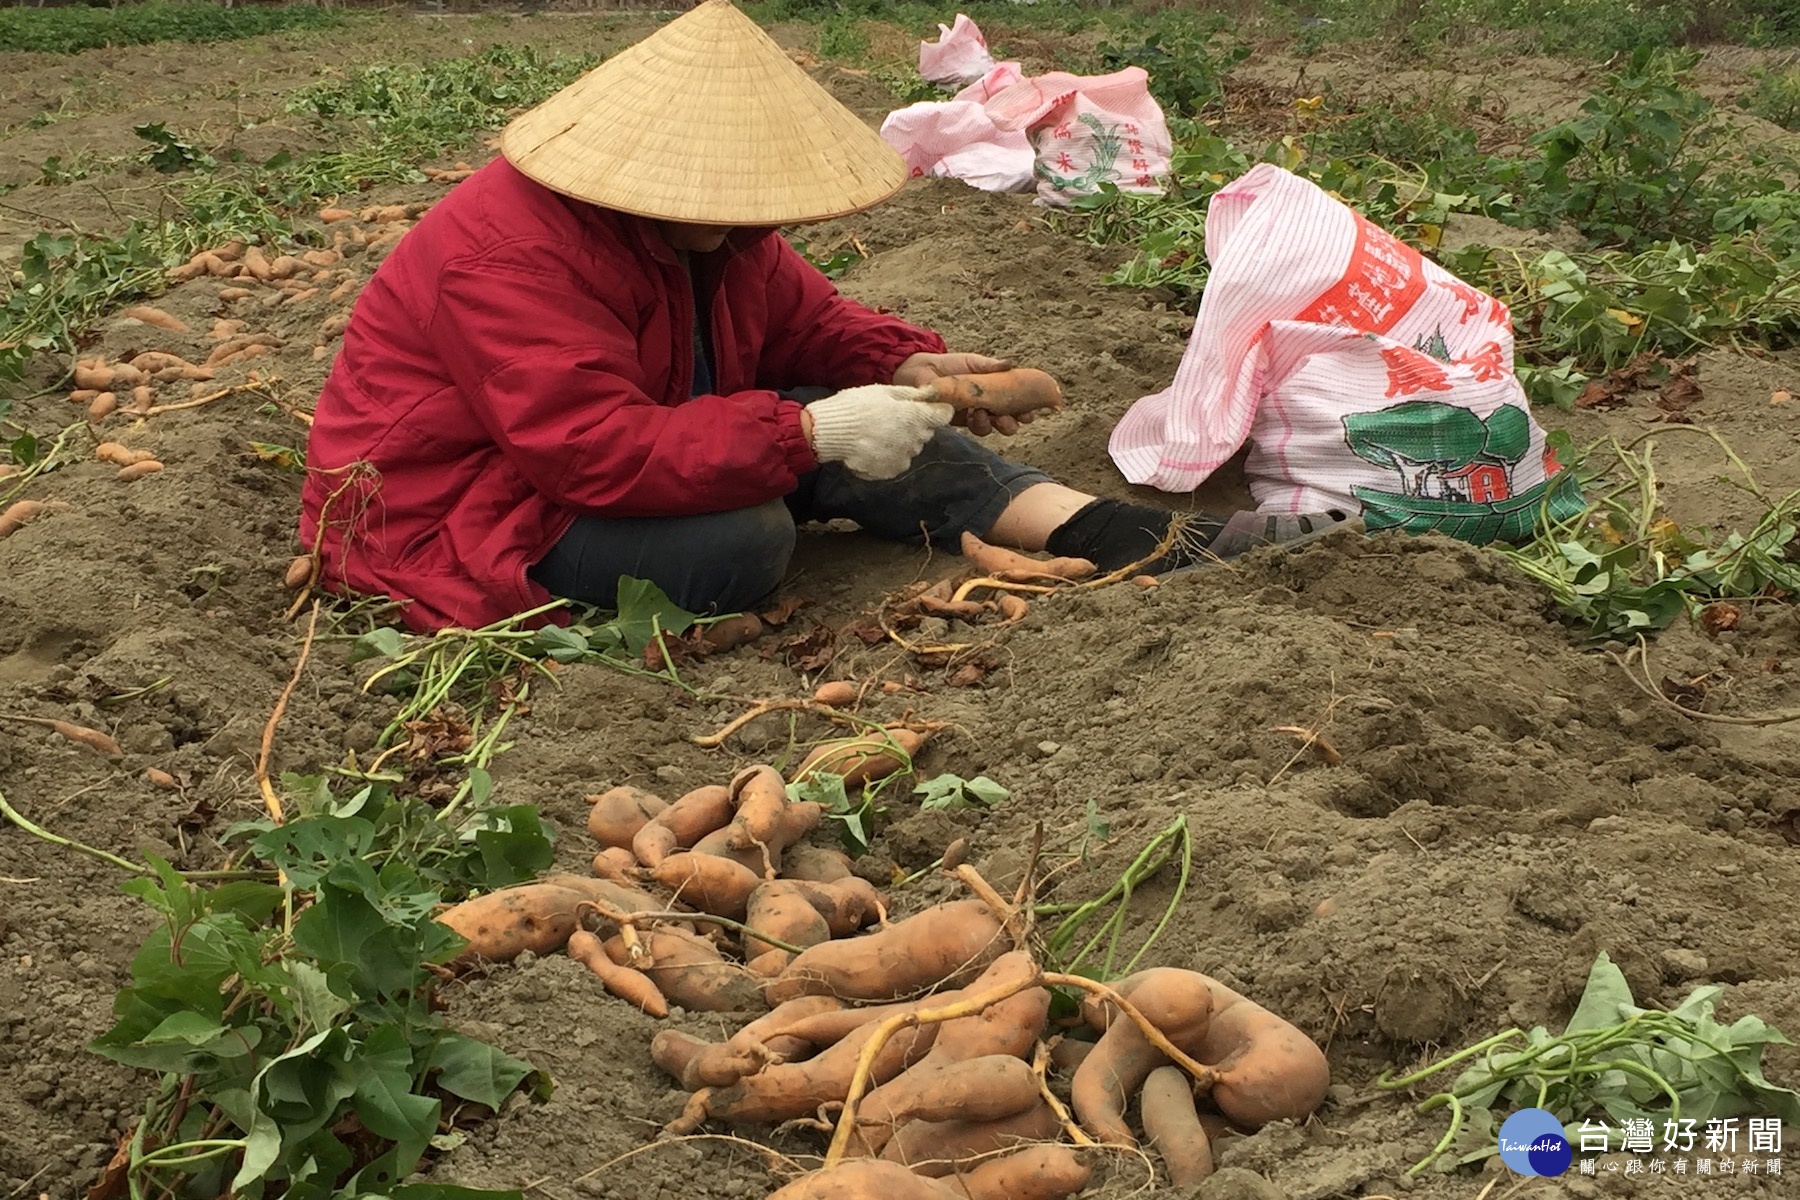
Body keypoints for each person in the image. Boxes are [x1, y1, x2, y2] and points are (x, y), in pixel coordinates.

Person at [298, 0, 1350, 634]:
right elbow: (585, 451)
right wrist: (806, 435)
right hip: (460, 508)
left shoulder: (709, 232)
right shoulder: (505, 256)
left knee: (881, 433)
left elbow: (810, 326)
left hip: (617, 452)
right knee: (743, 543)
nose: (751, 224)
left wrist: (913, 367)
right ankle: (793, 485)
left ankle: (1124, 537)